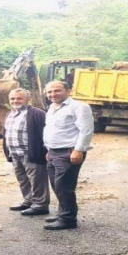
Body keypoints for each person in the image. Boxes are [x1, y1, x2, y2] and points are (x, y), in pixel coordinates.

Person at [42, 81, 94, 230]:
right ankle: (63, 213)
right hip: (53, 152)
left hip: (69, 152)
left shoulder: (79, 107)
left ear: (68, 91)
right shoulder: (52, 108)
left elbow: (86, 130)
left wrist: (79, 150)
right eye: (49, 92)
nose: (53, 94)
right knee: (56, 185)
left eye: (57, 91)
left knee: (64, 186)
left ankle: (68, 219)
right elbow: (52, 130)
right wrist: (49, 150)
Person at [3, 89, 49, 216]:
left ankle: (40, 205)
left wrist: (46, 151)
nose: (15, 101)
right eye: (12, 99)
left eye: (19, 98)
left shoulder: (37, 113)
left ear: (28, 99)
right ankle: (28, 201)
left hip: (31, 153)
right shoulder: (10, 114)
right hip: (15, 154)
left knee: (37, 180)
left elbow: (46, 133)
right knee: (23, 179)